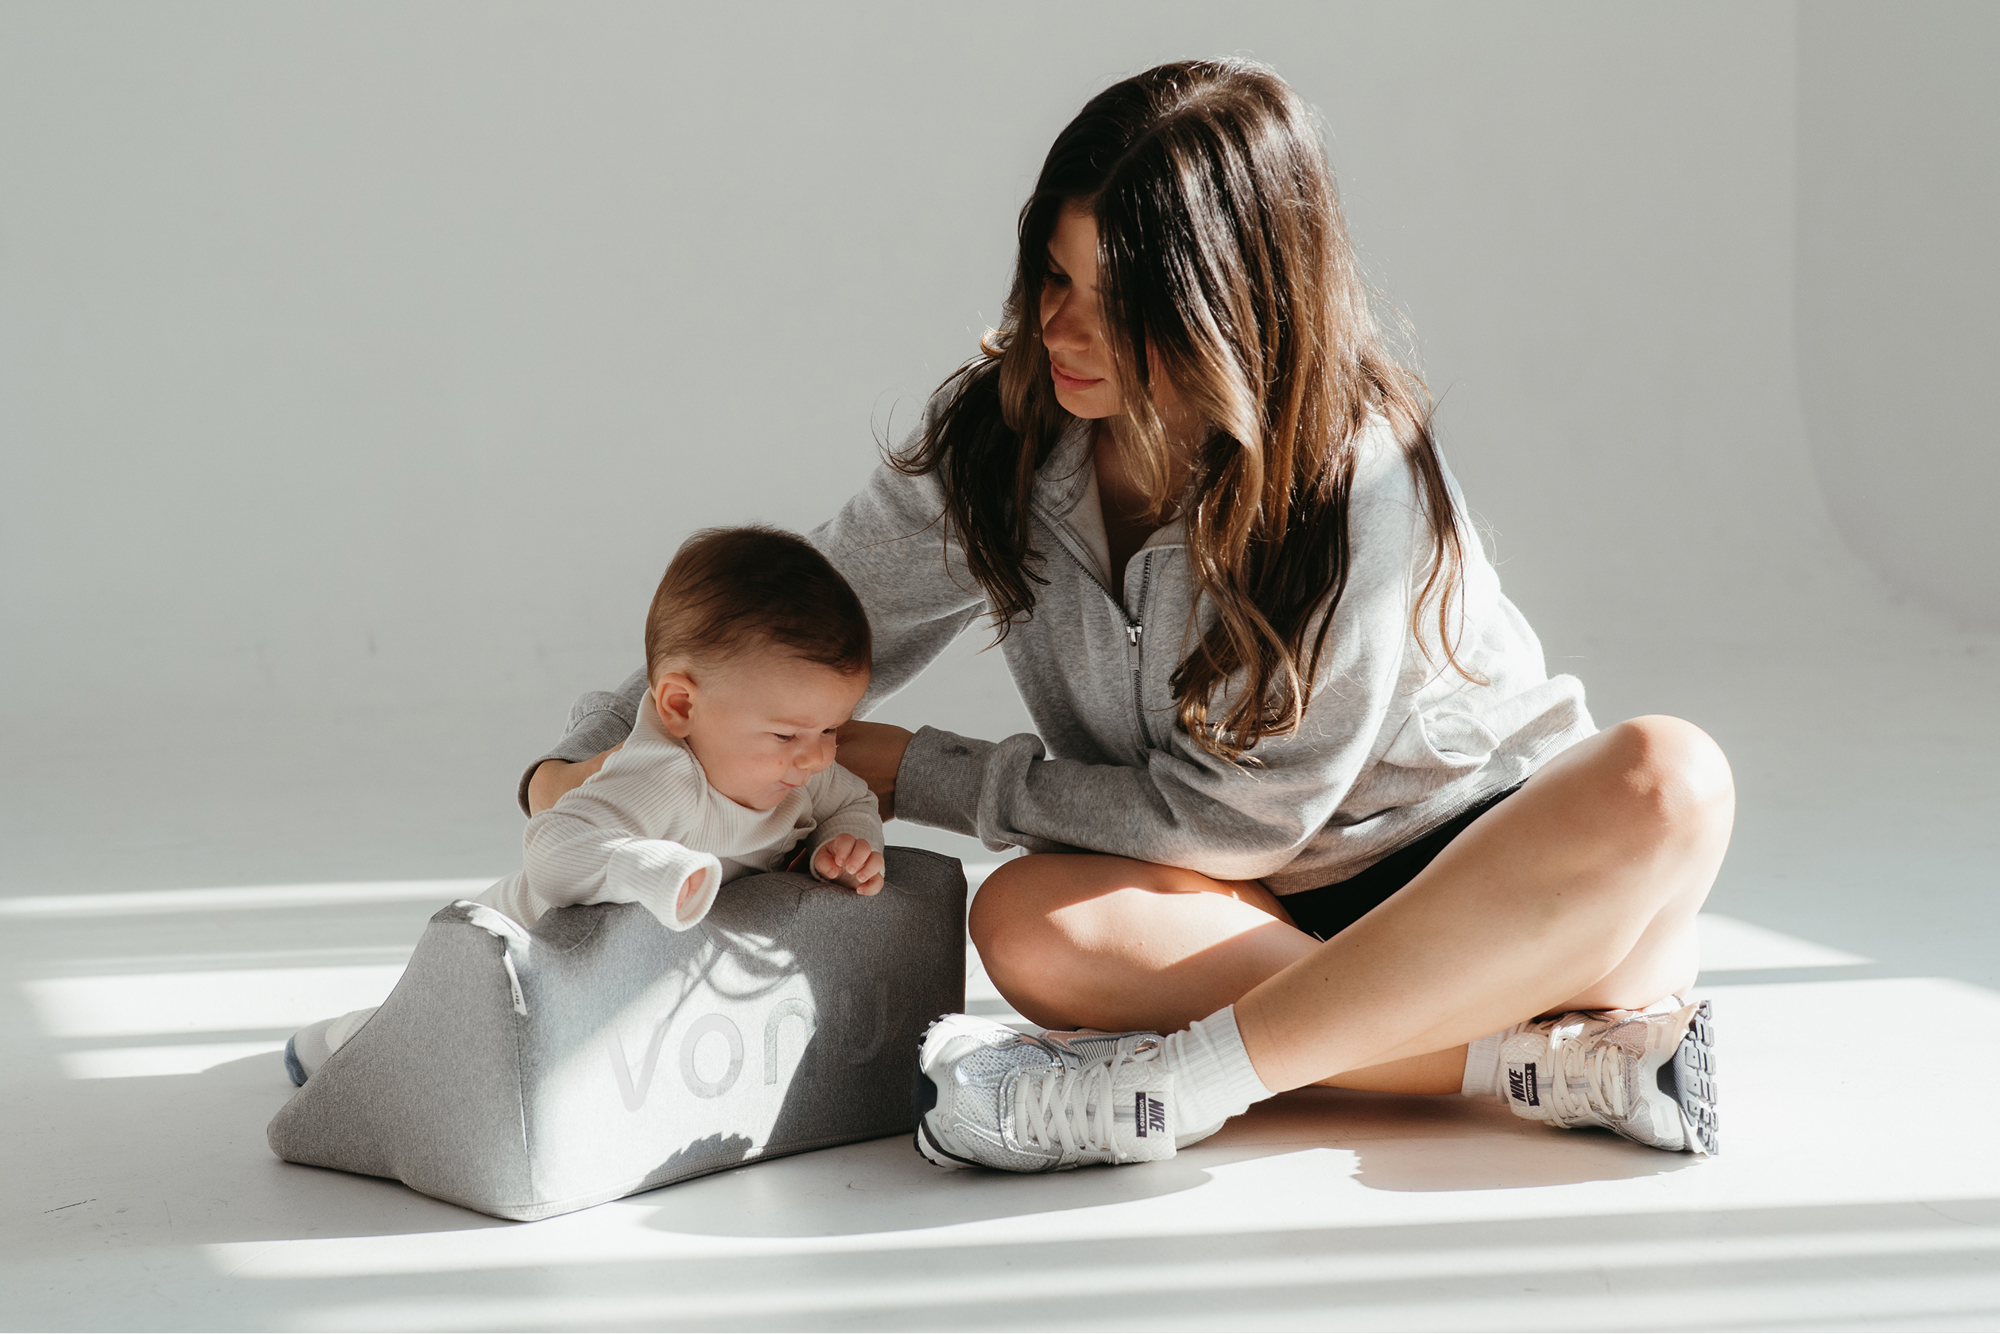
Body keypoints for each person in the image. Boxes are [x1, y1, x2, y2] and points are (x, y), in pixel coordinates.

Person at [527, 60, 1731, 1168]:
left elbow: (1248, 822)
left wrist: (928, 773)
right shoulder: (1006, 439)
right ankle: (1552, 1062)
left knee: (1672, 777)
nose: (1058, 327)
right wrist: (598, 760)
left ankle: (1187, 1082)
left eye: (1117, 300)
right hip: (1257, 919)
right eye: (1053, 275)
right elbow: (784, 624)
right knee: (1025, 922)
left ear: (1228, 308)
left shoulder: (1352, 474)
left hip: (1491, 878)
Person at [285, 525, 885, 1085]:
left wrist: (848, 841)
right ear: (680, 706)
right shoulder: (662, 778)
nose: (816, 758)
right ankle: (342, 1044)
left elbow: (853, 798)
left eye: (832, 729)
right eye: (786, 736)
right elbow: (551, 847)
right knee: (422, 1039)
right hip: (513, 943)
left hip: (597, 974)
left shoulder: (799, 774)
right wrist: (654, 868)